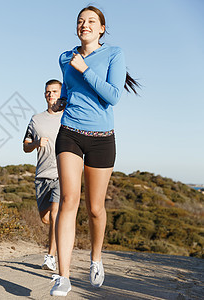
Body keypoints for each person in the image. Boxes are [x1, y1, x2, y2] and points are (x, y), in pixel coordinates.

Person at [50, 6, 140, 297]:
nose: (84, 25)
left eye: (91, 21)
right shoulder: (66, 57)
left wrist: (85, 69)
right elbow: (67, 91)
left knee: (95, 209)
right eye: (80, 21)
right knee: (68, 200)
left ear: (101, 28)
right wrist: (60, 101)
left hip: (102, 138)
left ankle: (96, 258)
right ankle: (62, 277)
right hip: (70, 134)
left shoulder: (114, 54)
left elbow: (113, 96)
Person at [23, 79, 66, 272]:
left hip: (62, 174)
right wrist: (36, 143)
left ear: (61, 93)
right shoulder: (35, 120)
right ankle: (58, 239)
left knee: (56, 216)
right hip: (42, 175)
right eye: (48, 92)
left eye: (55, 92)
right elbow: (25, 146)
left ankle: (51, 257)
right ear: (44, 95)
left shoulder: (69, 117)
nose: (51, 95)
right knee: (46, 219)